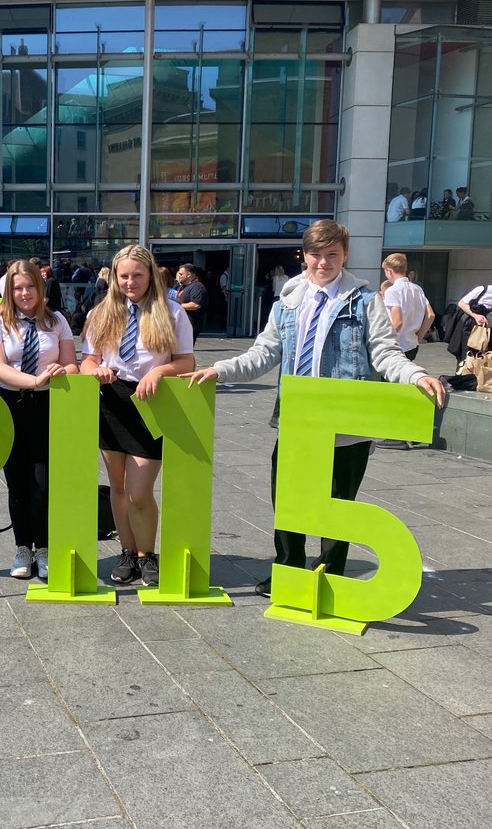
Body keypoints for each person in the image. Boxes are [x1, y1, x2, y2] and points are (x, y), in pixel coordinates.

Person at [184, 220, 445, 598]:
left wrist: (416, 374)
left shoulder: (365, 300)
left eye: (332, 255)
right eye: (316, 255)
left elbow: (386, 353)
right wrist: (219, 369)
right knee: (288, 502)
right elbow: (264, 354)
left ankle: (329, 576)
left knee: (339, 505)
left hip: (347, 424)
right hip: (298, 421)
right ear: (304, 254)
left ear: (345, 255)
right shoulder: (288, 301)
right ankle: (288, 570)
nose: (323, 263)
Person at [80, 245, 196, 589]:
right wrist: (95, 369)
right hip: (111, 400)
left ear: (150, 276)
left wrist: (160, 372)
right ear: (115, 277)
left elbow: (186, 362)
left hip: (150, 401)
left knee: (139, 491)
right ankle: (127, 552)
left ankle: (147, 555)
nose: (130, 282)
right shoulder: (101, 313)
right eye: (124, 275)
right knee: (117, 486)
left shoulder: (172, 313)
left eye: (137, 275)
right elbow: (88, 359)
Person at [0, 259, 78, 581]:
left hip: (49, 405)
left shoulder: (58, 321)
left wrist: (61, 371)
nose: (24, 293)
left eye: (30, 286)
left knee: (43, 481)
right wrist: (33, 380)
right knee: (17, 481)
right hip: (9, 403)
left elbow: (72, 365)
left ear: (41, 287)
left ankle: (45, 548)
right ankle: (22, 547)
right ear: (9, 290)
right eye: (17, 287)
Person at [382, 253, 434, 360]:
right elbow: (430, 315)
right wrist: (419, 337)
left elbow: (397, 322)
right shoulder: (417, 289)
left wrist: (382, 341)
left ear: (389, 271)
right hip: (411, 344)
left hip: (395, 346)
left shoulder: (392, 291)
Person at [175, 263, 208, 339]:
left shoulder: (197, 287)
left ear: (189, 274)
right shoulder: (181, 286)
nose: (179, 276)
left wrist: (177, 305)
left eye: (181, 274)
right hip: (179, 324)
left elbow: (195, 305)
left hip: (190, 325)